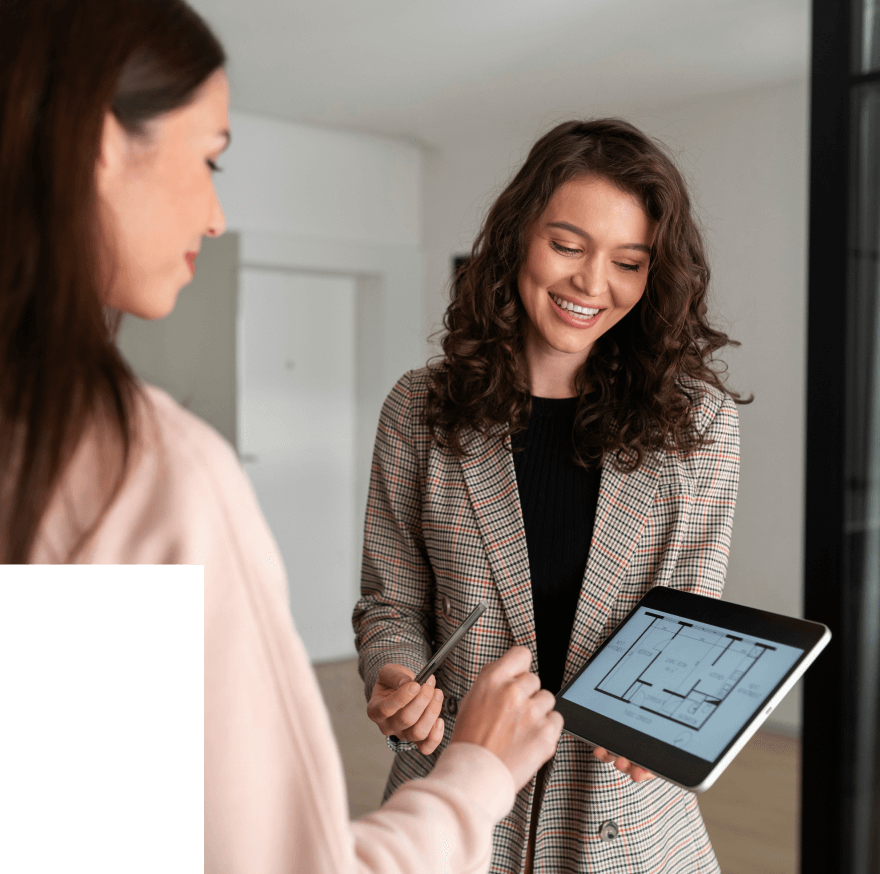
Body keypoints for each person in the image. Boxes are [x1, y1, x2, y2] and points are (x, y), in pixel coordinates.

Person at [0, 2, 565, 872]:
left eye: (631, 260)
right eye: (209, 159)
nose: (217, 214)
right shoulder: (137, 473)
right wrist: (475, 775)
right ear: (102, 145)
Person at [353, 118, 749, 873]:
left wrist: (672, 721)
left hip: (628, 828)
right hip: (455, 807)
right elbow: (391, 603)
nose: (592, 285)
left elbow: (691, 623)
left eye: (629, 262)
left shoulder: (701, 424)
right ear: (516, 240)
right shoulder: (420, 409)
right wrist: (396, 676)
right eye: (567, 246)